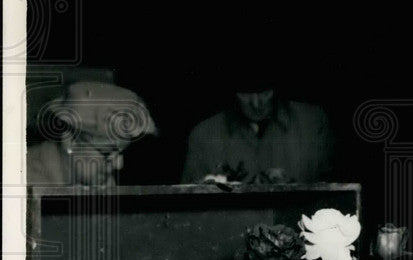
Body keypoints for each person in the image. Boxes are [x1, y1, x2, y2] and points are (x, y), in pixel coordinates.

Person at [181, 73, 335, 184]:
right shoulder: (203, 135)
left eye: (264, 92)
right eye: (245, 94)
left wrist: (293, 189)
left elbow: (336, 194)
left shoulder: (312, 124)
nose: (256, 104)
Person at [27, 81, 157, 186]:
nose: (118, 165)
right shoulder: (25, 180)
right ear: (69, 141)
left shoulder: (98, 180)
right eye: (107, 154)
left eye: (120, 154)